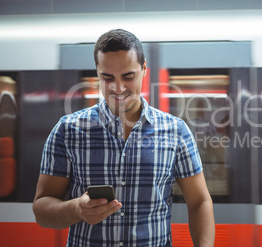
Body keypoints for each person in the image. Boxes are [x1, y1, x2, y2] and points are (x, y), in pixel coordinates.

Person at [33, 29, 215, 246]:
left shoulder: (176, 131)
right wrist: (76, 209)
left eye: (128, 76)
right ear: (97, 72)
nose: (118, 88)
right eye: (107, 77)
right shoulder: (67, 130)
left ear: (144, 69)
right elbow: (42, 210)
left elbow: (200, 202)